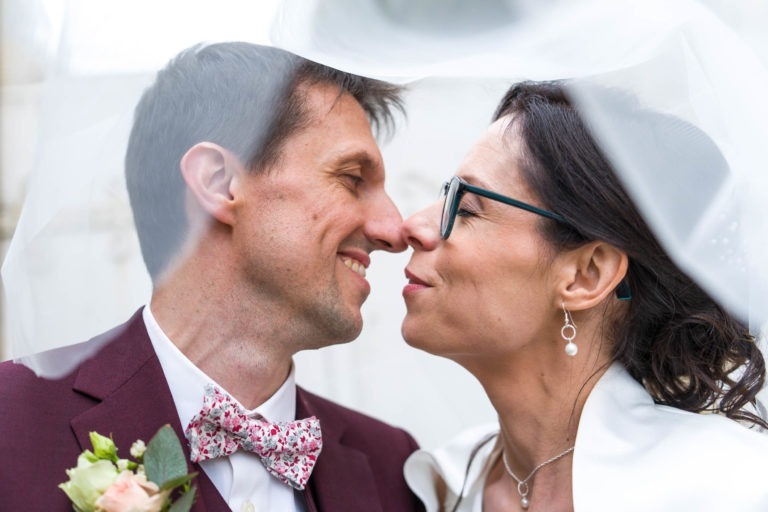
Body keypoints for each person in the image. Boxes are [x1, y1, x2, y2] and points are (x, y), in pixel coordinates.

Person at [0, 42, 424, 512]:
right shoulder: (9, 422)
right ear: (219, 182)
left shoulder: (394, 467)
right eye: (351, 178)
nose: (393, 230)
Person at [400, 80, 768, 511]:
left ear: (586, 276)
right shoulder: (438, 482)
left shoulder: (732, 485)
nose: (413, 225)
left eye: (465, 209)